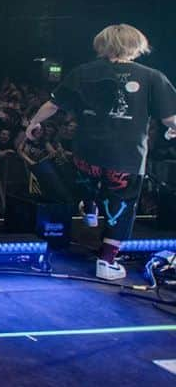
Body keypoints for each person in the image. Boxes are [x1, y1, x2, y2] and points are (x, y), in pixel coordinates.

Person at [26, 24, 176, 280]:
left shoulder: (83, 72)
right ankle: (106, 262)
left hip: (87, 152)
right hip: (125, 156)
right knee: (122, 205)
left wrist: (33, 123)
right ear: (137, 45)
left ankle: (90, 206)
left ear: (102, 45)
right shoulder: (152, 77)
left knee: (90, 182)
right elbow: (170, 117)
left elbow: (53, 104)